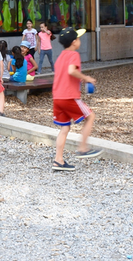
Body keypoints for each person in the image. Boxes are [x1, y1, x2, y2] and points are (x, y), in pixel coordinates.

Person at [52, 27, 103, 171]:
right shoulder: (73, 54)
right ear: (74, 42)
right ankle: (83, 148)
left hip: (57, 97)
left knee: (65, 128)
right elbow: (71, 70)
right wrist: (86, 78)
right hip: (69, 96)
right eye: (78, 39)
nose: (79, 41)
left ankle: (58, 160)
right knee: (91, 116)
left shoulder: (61, 56)